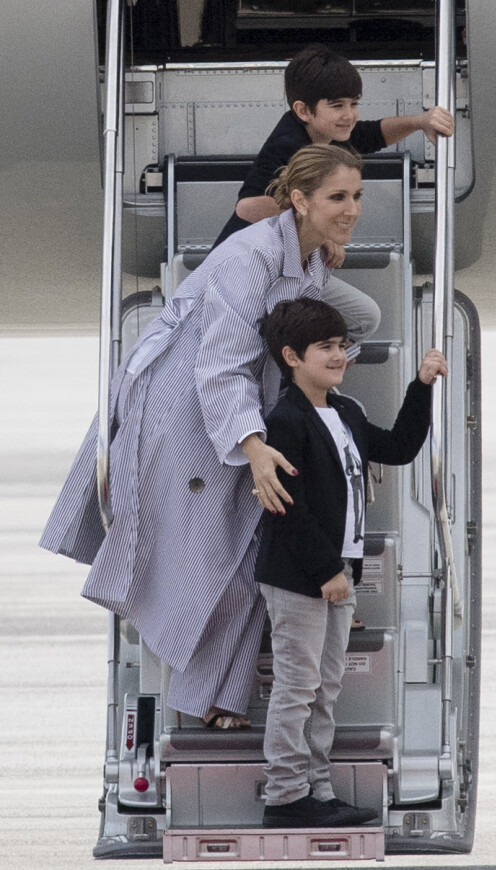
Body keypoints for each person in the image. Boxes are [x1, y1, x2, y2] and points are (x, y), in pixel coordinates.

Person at [39, 144, 368, 730]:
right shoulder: (251, 260)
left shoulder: (308, 254)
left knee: (243, 551)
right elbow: (219, 365)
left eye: (356, 197)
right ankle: (209, 698)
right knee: (209, 552)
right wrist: (251, 446)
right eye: (336, 198)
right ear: (299, 199)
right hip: (184, 399)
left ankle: (217, 698)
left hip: (232, 400)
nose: (351, 209)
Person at [255, 297, 447, 827]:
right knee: (298, 688)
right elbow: (287, 511)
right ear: (292, 356)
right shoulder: (285, 419)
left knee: (325, 686)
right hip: (301, 576)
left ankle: (315, 790)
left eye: (342, 346)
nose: (339, 356)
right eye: (326, 348)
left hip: (334, 572)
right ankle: (285, 795)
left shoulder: (344, 411)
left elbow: (400, 447)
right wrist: (327, 573)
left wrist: (422, 386)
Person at [212, 43, 454, 341]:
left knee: (362, 318)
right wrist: (321, 235)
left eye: (354, 104)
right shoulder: (288, 145)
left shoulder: (328, 133)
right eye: (338, 105)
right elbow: (248, 207)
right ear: (303, 110)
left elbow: (373, 133)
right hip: (248, 269)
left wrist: (420, 121)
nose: (349, 115)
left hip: (290, 266)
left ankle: (314, 373)